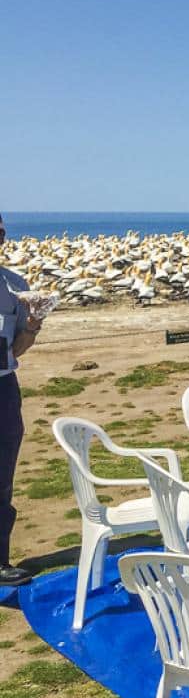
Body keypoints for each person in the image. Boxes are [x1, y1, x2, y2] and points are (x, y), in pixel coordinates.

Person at [0, 213, 39, 586]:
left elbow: (18, 348)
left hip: (3, 387)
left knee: (2, 475)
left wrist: (32, 326)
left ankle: (0, 560)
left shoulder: (15, 286)